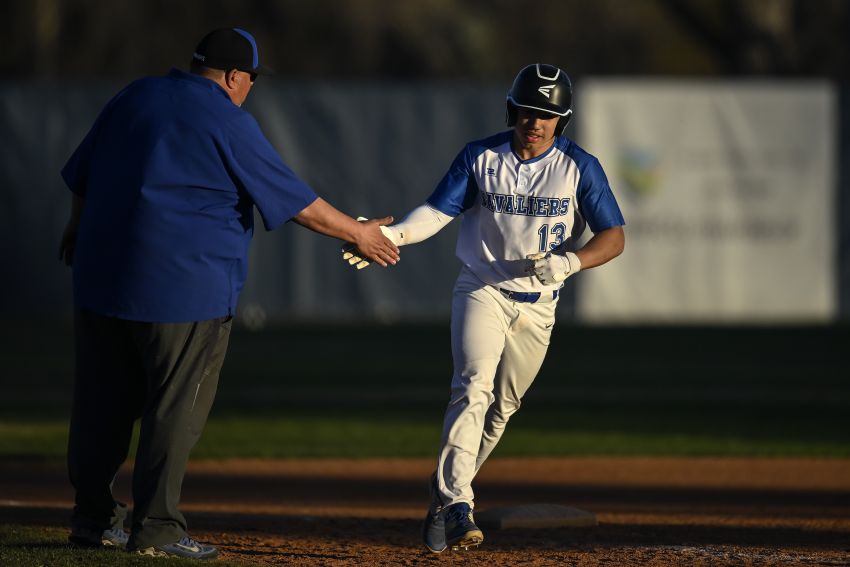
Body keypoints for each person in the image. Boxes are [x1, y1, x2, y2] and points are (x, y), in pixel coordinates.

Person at [58, 27, 399, 560]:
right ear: (236, 77)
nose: (249, 90)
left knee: (101, 405)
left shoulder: (135, 96)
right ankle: (158, 529)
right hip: (183, 292)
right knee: (175, 410)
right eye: (250, 81)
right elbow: (298, 202)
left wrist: (75, 231)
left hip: (101, 280)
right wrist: (359, 232)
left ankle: (91, 519)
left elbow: (81, 176)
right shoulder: (226, 118)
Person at [343, 63, 625, 552]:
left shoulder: (580, 166)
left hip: (539, 306)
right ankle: (457, 504)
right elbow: (437, 211)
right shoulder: (481, 157)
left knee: (503, 408)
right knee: (472, 388)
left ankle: (443, 489)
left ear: (563, 119)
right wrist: (393, 235)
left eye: (547, 114)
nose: (535, 122)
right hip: (482, 290)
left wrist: (571, 263)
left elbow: (614, 236)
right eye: (527, 111)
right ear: (511, 110)